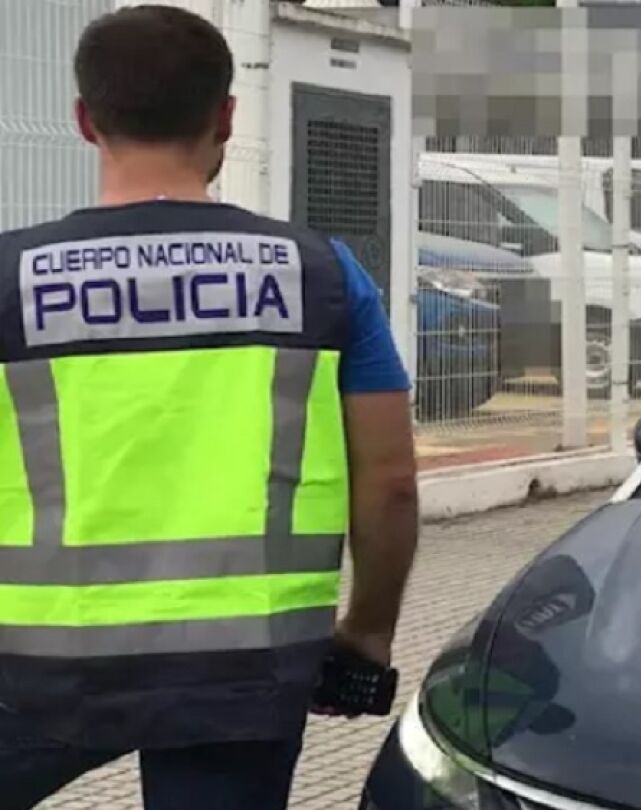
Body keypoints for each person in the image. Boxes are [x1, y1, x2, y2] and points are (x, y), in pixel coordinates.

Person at [0, 5, 419, 809]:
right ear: (226, 116)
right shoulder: (323, 275)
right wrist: (367, 632)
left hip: (37, 662)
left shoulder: (9, 278)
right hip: (246, 663)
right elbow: (391, 483)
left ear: (85, 120)